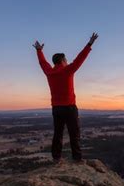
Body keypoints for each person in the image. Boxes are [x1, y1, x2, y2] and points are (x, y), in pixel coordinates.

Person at [33, 32, 98, 164]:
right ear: (62, 61)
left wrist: (39, 50)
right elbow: (80, 58)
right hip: (69, 108)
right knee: (74, 134)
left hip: (56, 109)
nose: (67, 61)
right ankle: (77, 159)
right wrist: (90, 43)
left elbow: (42, 62)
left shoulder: (49, 72)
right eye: (66, 59)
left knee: (58, 134)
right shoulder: (67, 70)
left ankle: (56, 158)